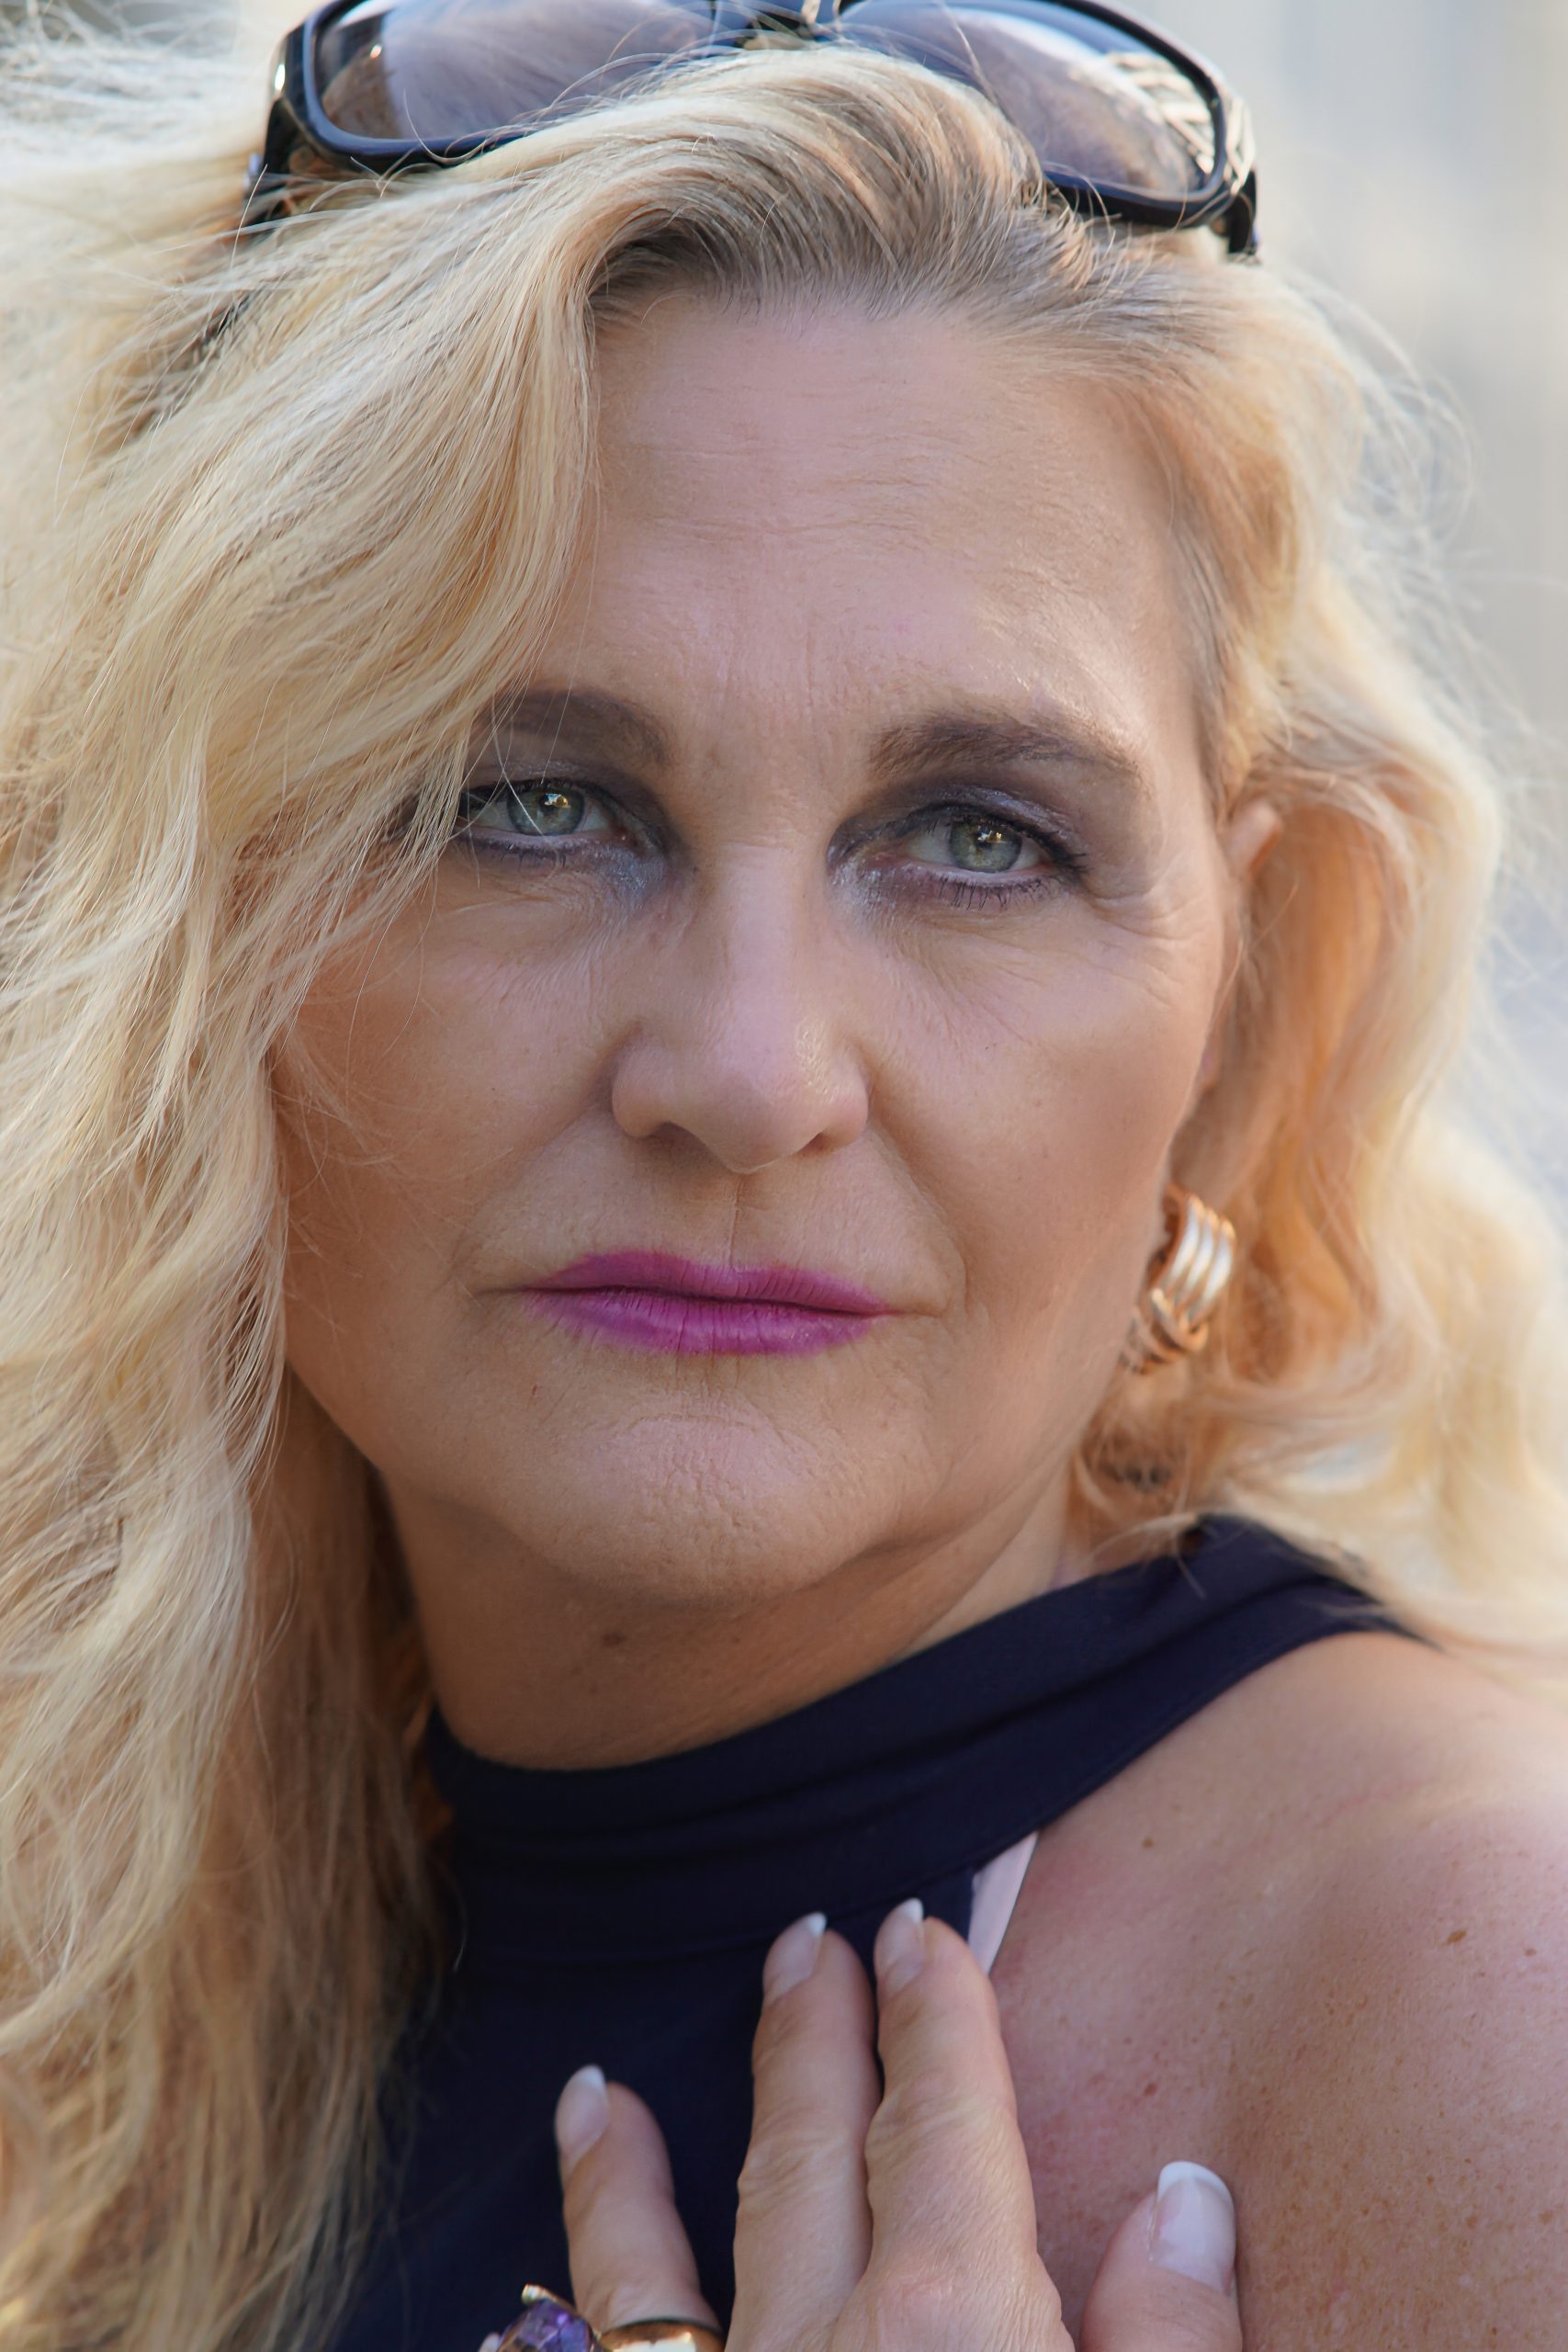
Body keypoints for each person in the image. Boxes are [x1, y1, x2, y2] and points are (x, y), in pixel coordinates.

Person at [1, 3, 1565, 2348]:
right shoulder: (121, 1915)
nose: (746, 1072)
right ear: (155, 918)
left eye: (975, 836)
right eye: (528, 802)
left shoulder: (1472, 2000)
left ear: (1240, 993)